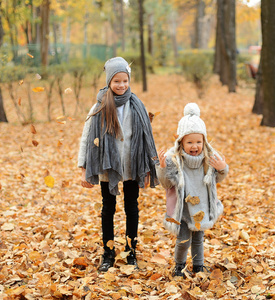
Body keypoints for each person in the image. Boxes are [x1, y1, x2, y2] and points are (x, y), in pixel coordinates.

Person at [78, 57, 159, 272]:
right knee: (108, 208)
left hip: (132, 164)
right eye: (116, 81)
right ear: (109, 82)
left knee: (132, 207)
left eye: (125, 80)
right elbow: (86, 137)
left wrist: (150, 166)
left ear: (129, 80)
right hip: (107, 165)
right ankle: (108, 252)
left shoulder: (137, 105)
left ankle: (131, 251)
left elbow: (147, 136)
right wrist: (83, 168)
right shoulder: (99, 105)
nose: (121, 85)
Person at [156, 103, 228, 277]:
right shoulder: (175, 159)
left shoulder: (209, 159)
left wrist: (222, 168)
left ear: (204, 141)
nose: (194, 146)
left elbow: (217, 178)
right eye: (189, 142)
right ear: (181, 142)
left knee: (198, 240)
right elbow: (166, 183)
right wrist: (163, 166)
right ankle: (179, 266)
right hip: (183, 210)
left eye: (198, 141)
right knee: (182, 241)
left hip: (201, 207)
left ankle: (198, 266)